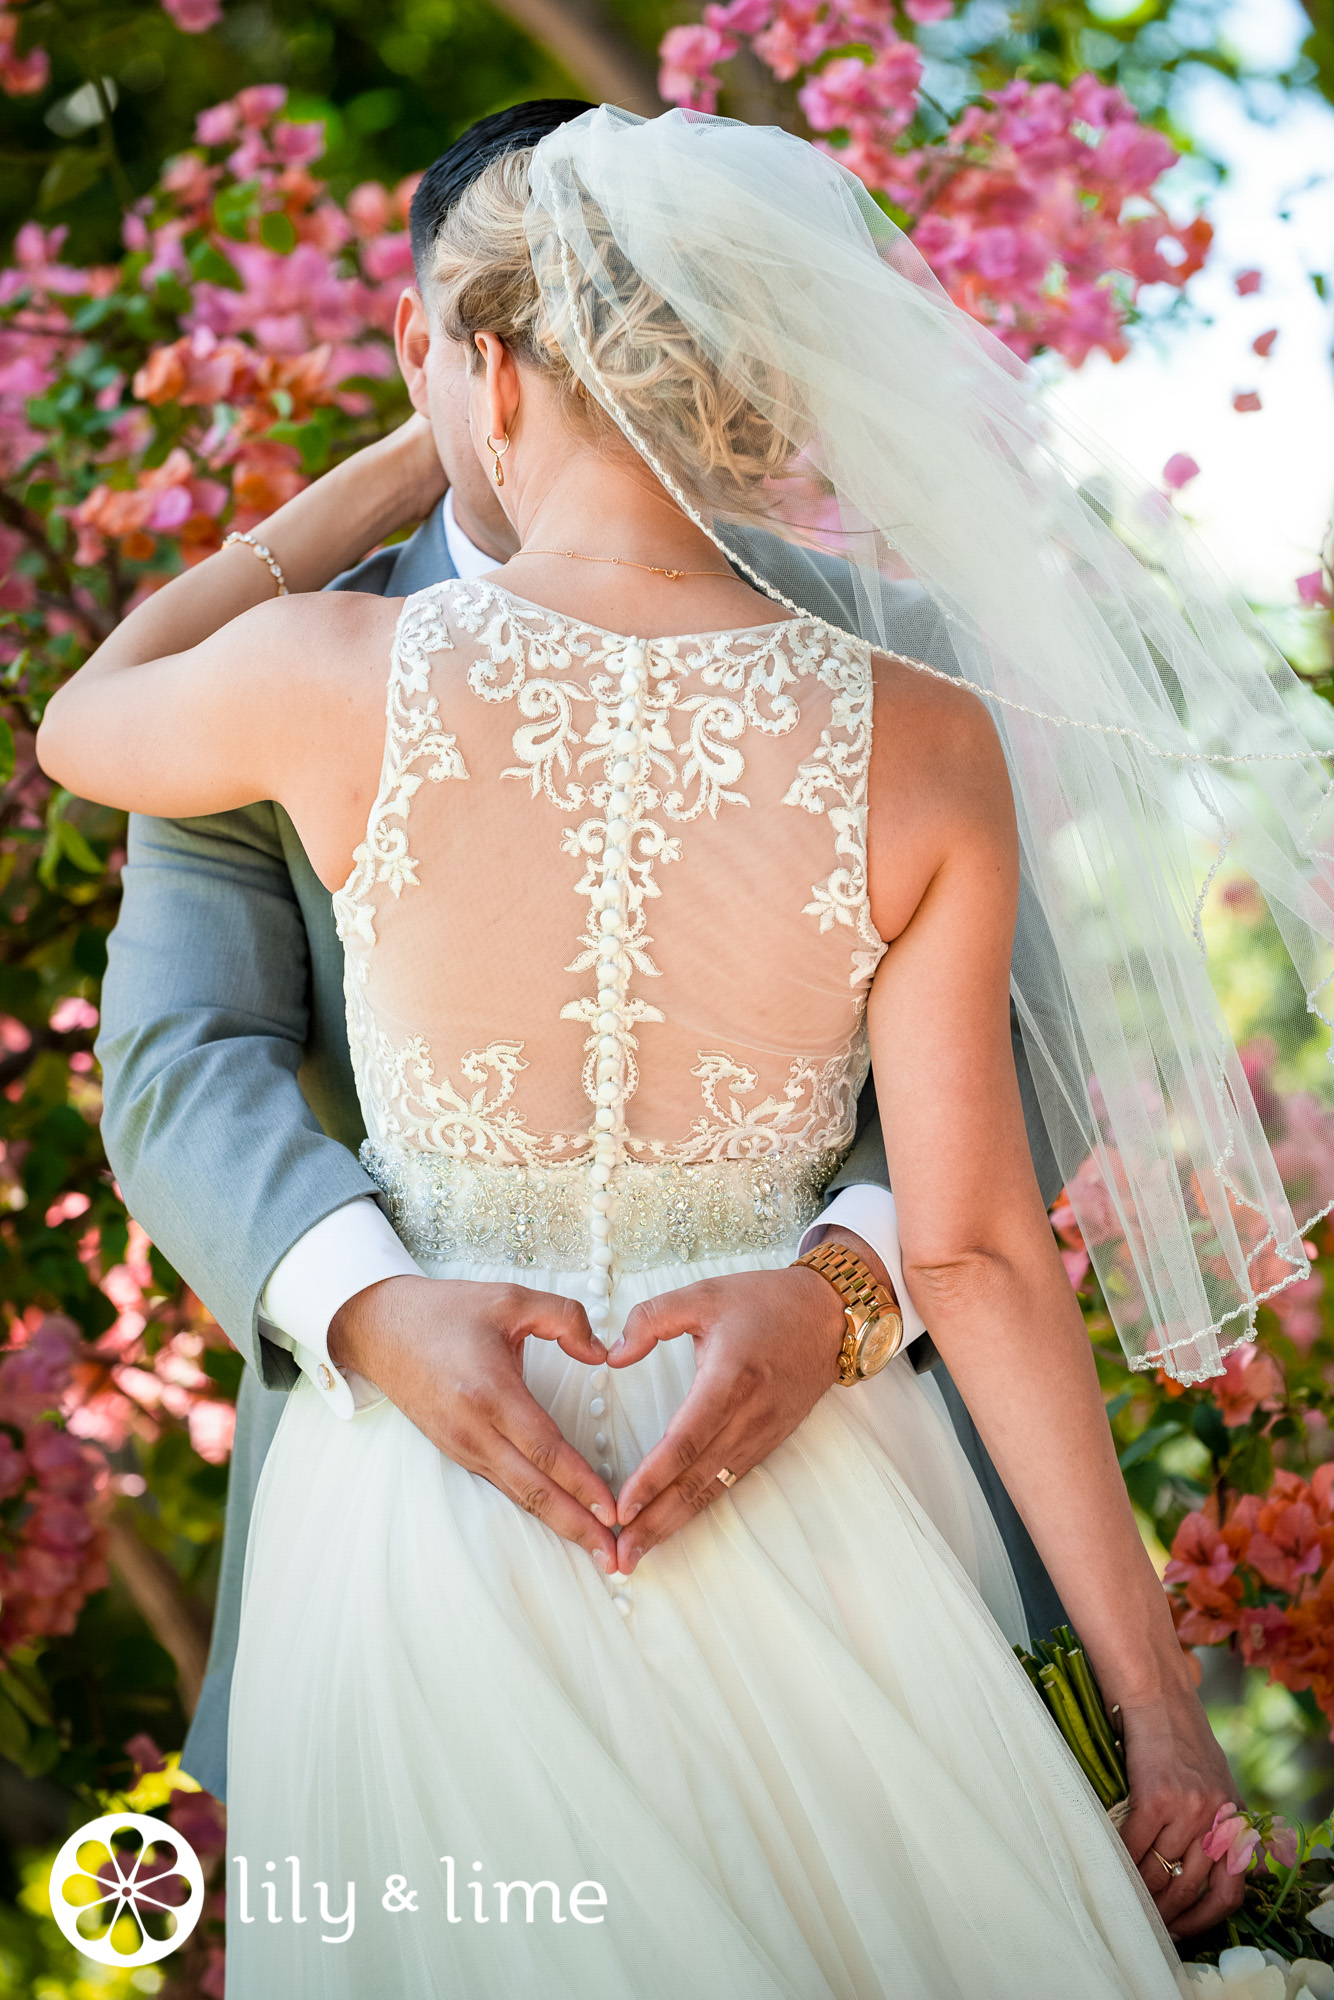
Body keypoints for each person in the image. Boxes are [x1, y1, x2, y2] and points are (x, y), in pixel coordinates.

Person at [45, 102, 1319, 1995]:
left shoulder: (310, 676)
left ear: (476, 358)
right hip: (823, 1526)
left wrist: (343, 502)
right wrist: (1159, 1714)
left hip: (426, 1533)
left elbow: (89, 715)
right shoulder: (921, 730)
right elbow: (976, 1253)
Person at [94, 97, 1067, 1805]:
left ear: (481, 347)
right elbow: (184, 1063)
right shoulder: (302, 653)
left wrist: (838, 1293)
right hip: (401, 1494)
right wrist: (368, 1308)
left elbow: (1023, 1061)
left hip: (840, 1495)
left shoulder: (898, 657)